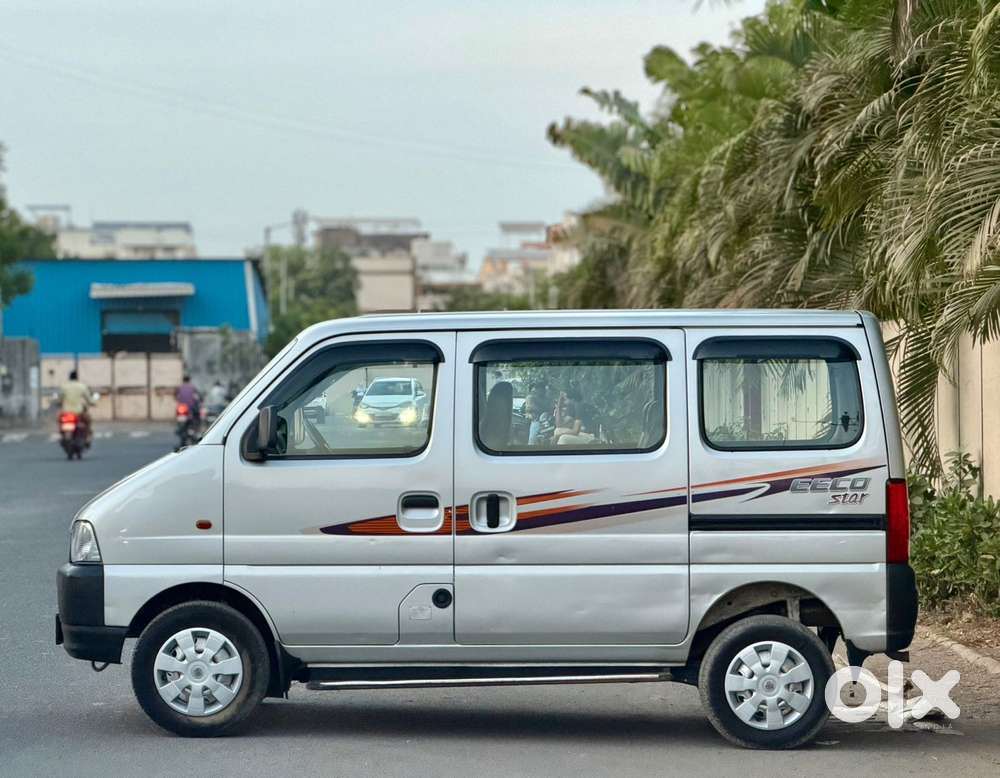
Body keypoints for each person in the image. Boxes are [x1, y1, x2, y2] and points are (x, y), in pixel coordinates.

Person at [59, 370, 94, 445]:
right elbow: (89, 399)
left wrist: (59, 403)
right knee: (88, 421)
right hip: (79, 412)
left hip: (66, 412)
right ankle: (87, 438)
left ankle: (62, 435)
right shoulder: (82, 386)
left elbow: (60, 399)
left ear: (69, 378)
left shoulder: (64, 387)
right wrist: (93, 403)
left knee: (60, 420)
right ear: (77, 378)